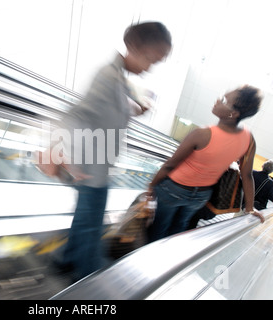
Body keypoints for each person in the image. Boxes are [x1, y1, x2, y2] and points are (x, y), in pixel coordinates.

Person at [54, 22, 172, 281]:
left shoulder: (118, 79)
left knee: (84, 221)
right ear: (134, 47)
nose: (150, 67)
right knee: (91, 226)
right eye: (150, 59)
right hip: (89, 169)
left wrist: (135, 110)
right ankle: (87, 282)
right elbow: (79, 113)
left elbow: (109, 113)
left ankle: (65, 261)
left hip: (96, 166)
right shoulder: (108, 77)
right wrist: (56, 150)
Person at [147, 85, 265, 243]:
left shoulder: (202, 134)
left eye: (224, 100)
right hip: (200, 196)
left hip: (174, 189)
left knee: (159, 227)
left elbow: (170, 165)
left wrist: (151, 186)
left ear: (233, 113)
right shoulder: (248, 138)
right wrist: (249, 207)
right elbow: (247, 175)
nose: (217, 101)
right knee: (179, 227)